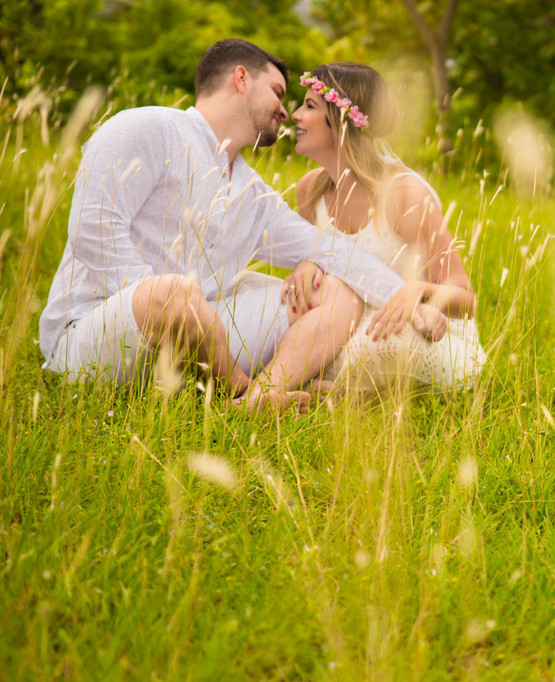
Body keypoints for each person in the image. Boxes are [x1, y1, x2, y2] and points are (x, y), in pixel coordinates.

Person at [38, 39, 446, 410]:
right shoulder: (145, 128)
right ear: (240, 78)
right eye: (279, 93)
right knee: (172, 293)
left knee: (335, 288)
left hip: (198, 343)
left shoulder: (253, 193)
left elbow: (333, 250)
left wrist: (405, 300)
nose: (286, 111)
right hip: (97, 333)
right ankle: (239, 389)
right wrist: (177, 308)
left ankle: (264, 395)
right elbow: (93, 232)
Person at [242, 61, 485, 404]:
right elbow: (322, 275)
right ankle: (304, 393)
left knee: (374, 344)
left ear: (343, 123)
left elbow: (465, 299)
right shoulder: (309, 191)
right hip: (346, 318)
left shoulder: (403, 195)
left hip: (420, 327)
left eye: (310, 106)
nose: (294, 115)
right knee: (258, 296)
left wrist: (417, 290)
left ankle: (317, 393)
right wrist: (308, 266)